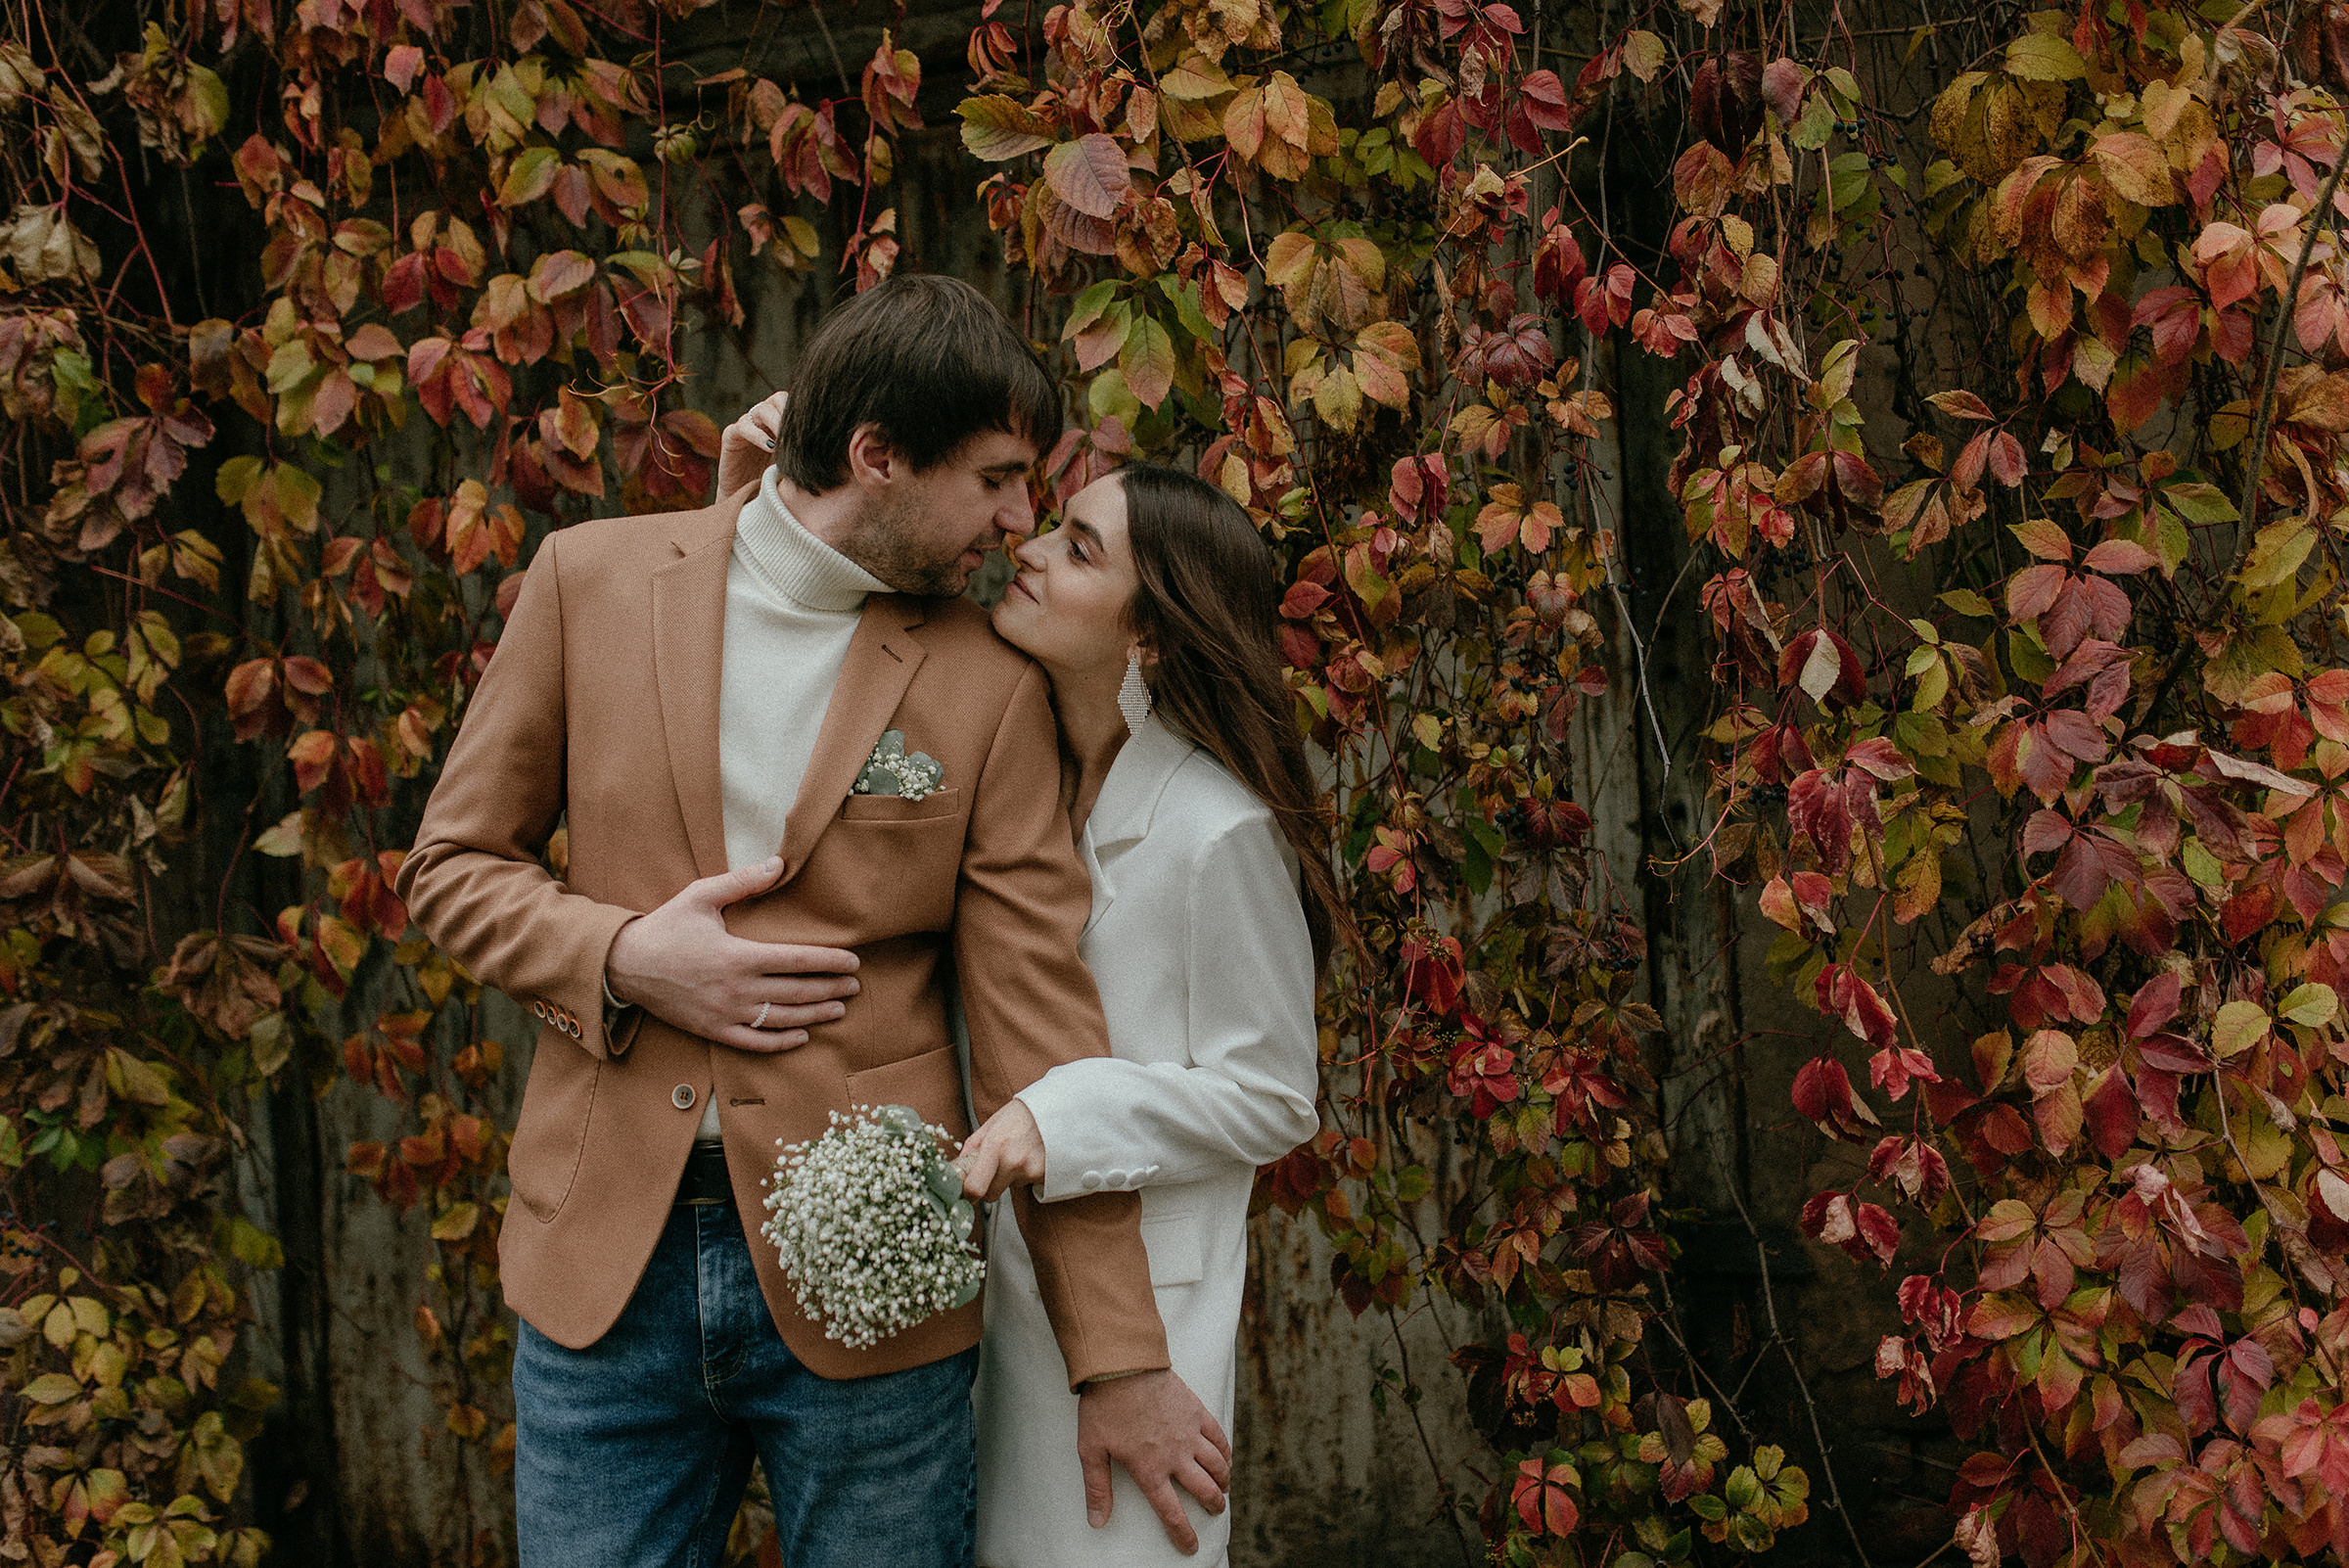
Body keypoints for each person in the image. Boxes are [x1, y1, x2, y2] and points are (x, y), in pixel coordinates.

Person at [394, 274, 1229, 1568]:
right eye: (1000, 479)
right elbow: (450, 865)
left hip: (875, 1294)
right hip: (604, 1272)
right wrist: (621, 955)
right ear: (877, 455)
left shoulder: (990, 676)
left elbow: (1041, 1036)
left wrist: (1115, 1354)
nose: (1022, 522)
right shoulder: (590, 582)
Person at [716, 395, 1335, 1568]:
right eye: (1051, 527)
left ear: (1151, 634)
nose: (1031, 548)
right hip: (987, 1303)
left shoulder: (1218, 831)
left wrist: (1062, 1115)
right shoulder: (1024, 771)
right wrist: (764, 505)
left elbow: (1274, 1097)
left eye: (1080, 548)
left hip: (1143, 1305)